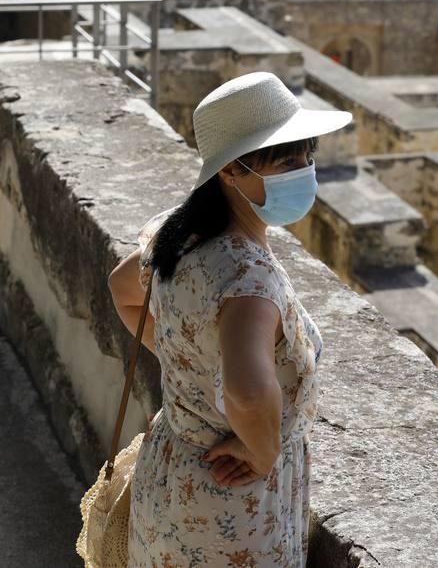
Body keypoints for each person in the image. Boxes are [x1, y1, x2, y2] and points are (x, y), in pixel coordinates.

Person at [108, 71, 353, 567]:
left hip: (170, 478)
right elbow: (246, 389)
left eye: (306, 156)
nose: (302, 169)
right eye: (284, 159)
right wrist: (260, 450)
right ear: (230, 172)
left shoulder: (176, 236)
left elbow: (122, 289)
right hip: (233, 511)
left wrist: (192, 372)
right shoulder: (249, 281)